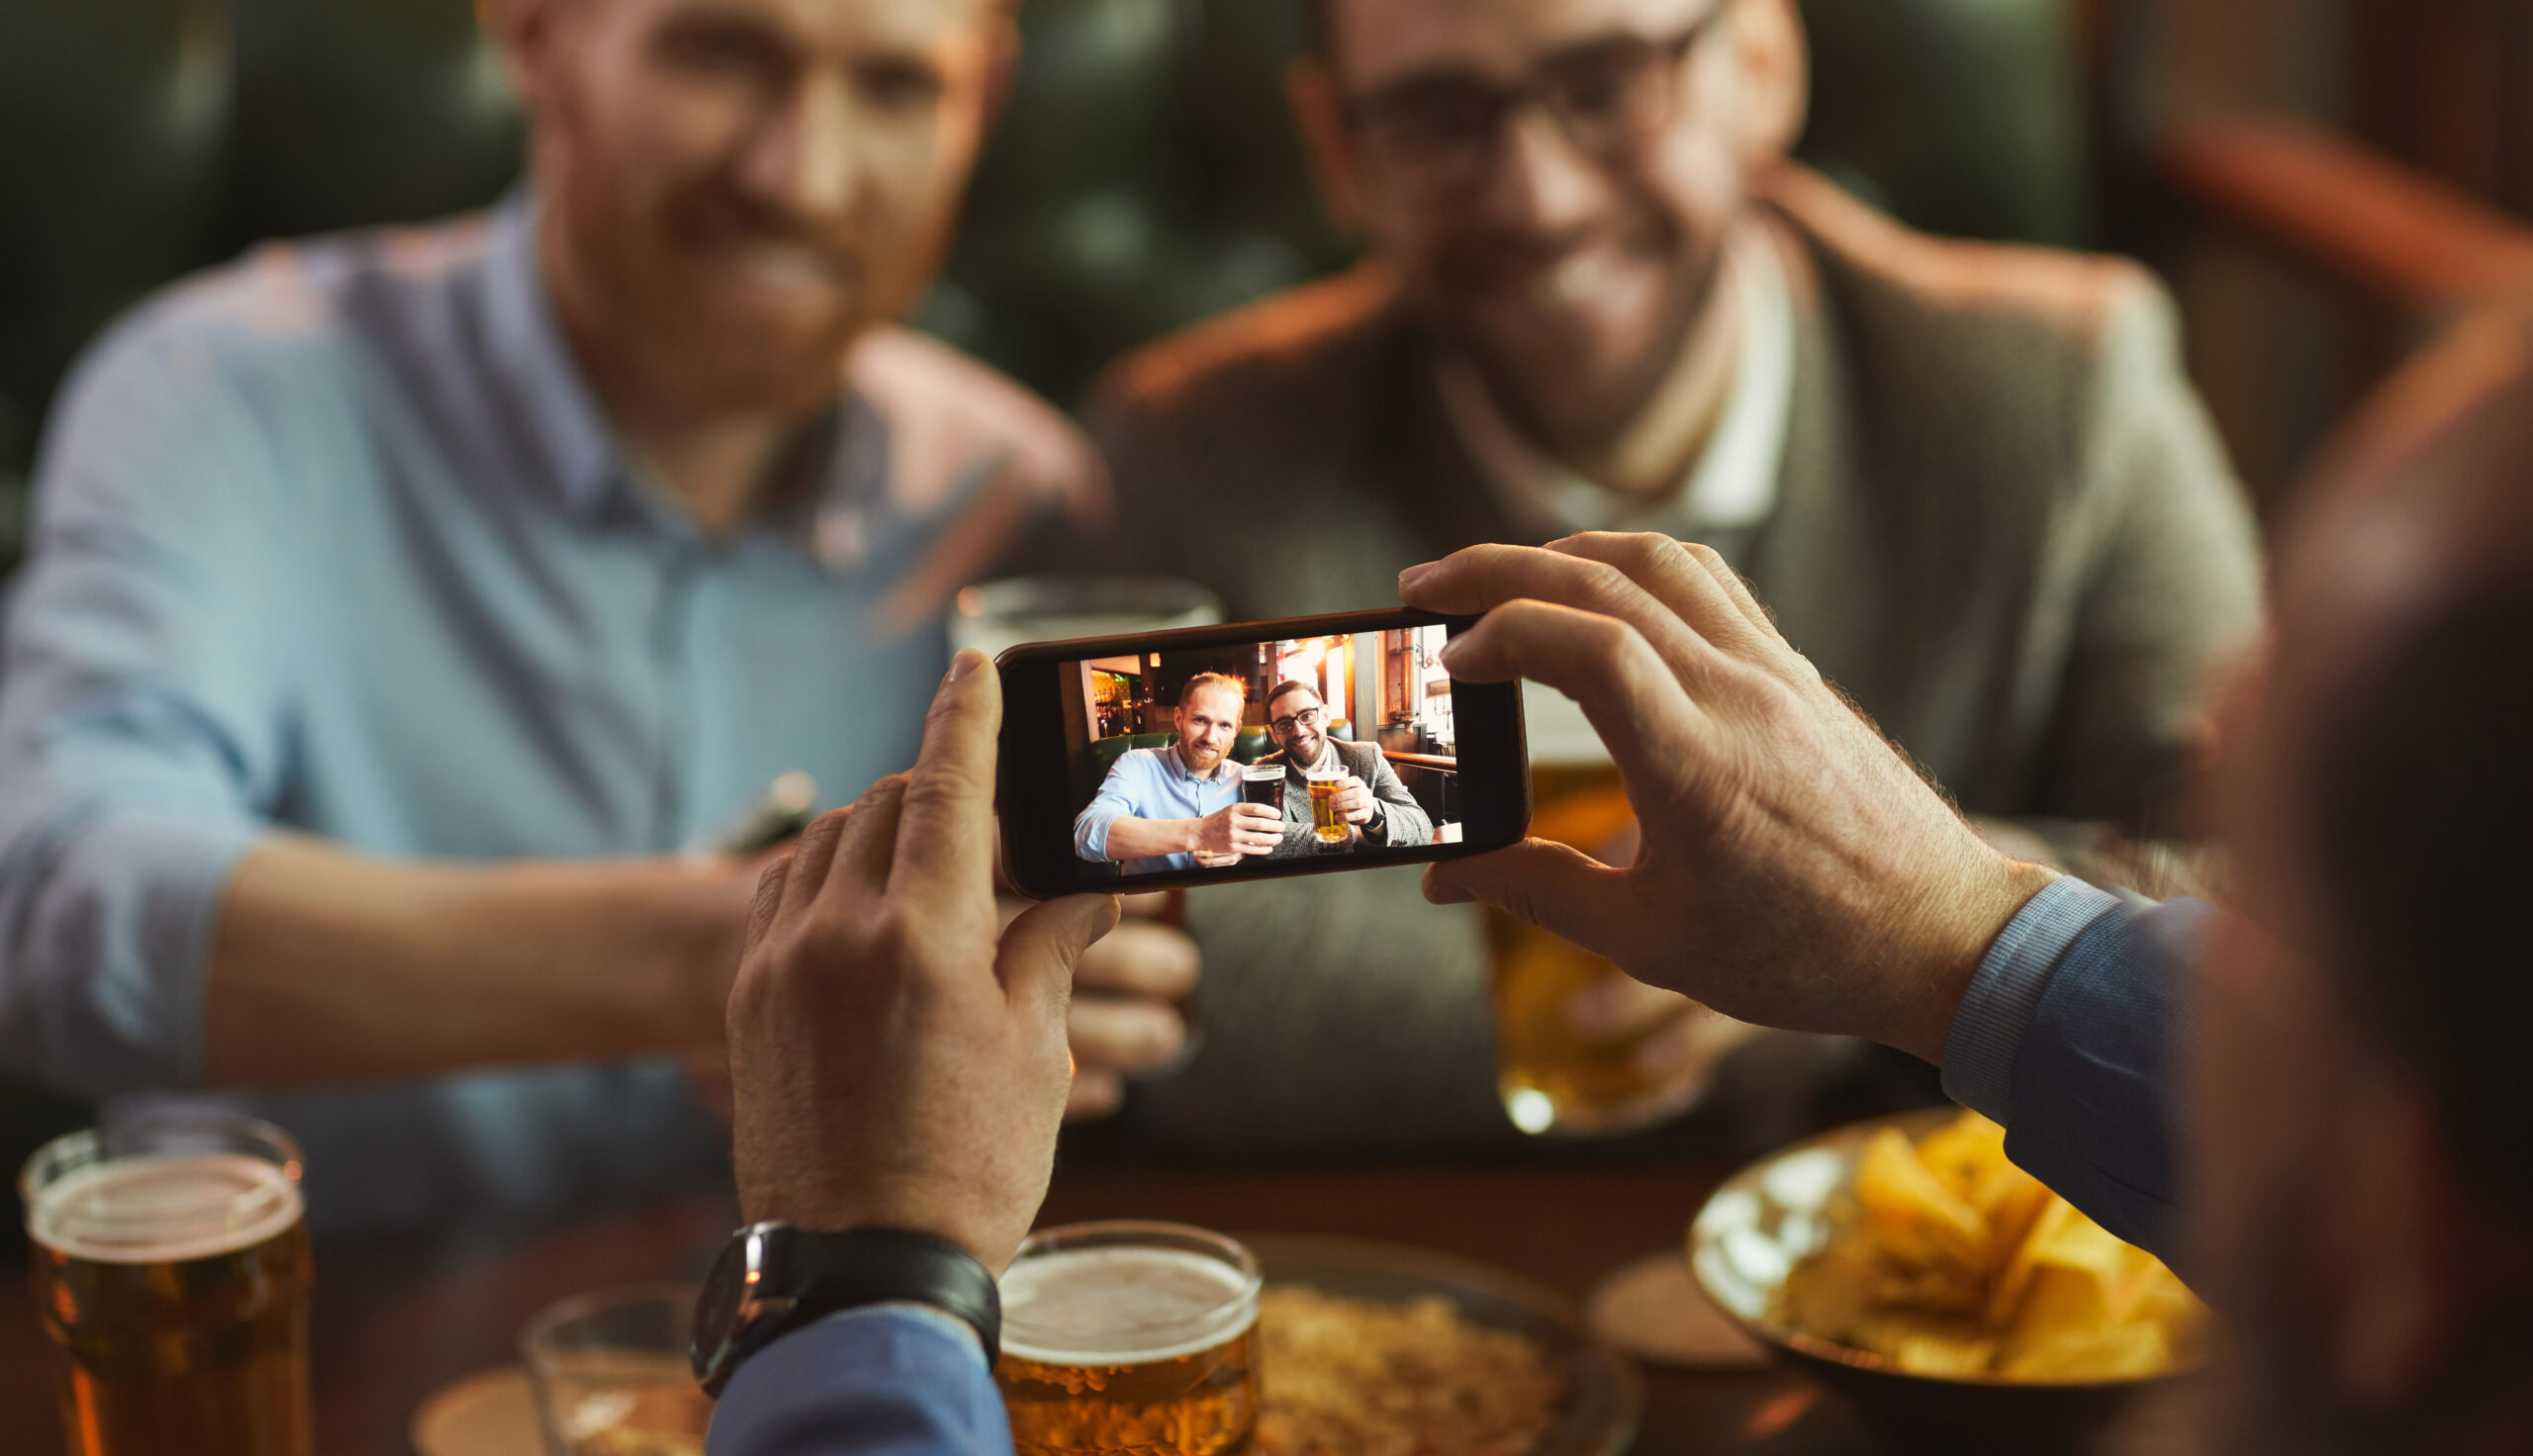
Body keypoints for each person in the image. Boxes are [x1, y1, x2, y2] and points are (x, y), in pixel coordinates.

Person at [703, 322, 2533, 1454]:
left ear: (2408, 1227)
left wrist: (862, 1275)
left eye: (2267, 907)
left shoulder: (2047, 379)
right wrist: (1962, 935)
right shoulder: (1228, 421)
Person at [0, 0, 1197, 1239]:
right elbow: (51, 911)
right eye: (721, 52)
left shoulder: (1021, 500)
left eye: (895, 84)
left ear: (984, 101)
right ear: (538, 26)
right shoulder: (226, 393)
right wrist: (719, 950)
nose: (800, 172)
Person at [1087, 0, 2260, 1148]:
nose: (1540, 192)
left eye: (1606, 83)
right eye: (1438, 118)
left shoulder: (2067, 390)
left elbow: (2253, 899)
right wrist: (1845, 979)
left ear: (1760, 58)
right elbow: (1196, 983)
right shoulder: (1204, 444)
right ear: (1339, 148)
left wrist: (1858, 936)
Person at [1072, 674, 1281, 875]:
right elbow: (1086, 836)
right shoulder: (1137, 764)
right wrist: (1201, 832)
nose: (1210, 737)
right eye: (1200, 720)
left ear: (1236, 731)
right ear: (1179, 718)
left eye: (1224, 725)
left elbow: (1269, 843)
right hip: (1147, 904)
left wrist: (1241, 852)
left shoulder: (1246, 779)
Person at [1255, 680, 1433, 857]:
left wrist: (1373, 815)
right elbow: (1269, 845)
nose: (1299, 731)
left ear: (1325, 716)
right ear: (1274, 734)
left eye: (1307, 715)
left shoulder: (1367, 757)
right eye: (1284, 724)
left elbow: (1422, 827)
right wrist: (1354, 834)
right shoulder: (1264, 773)